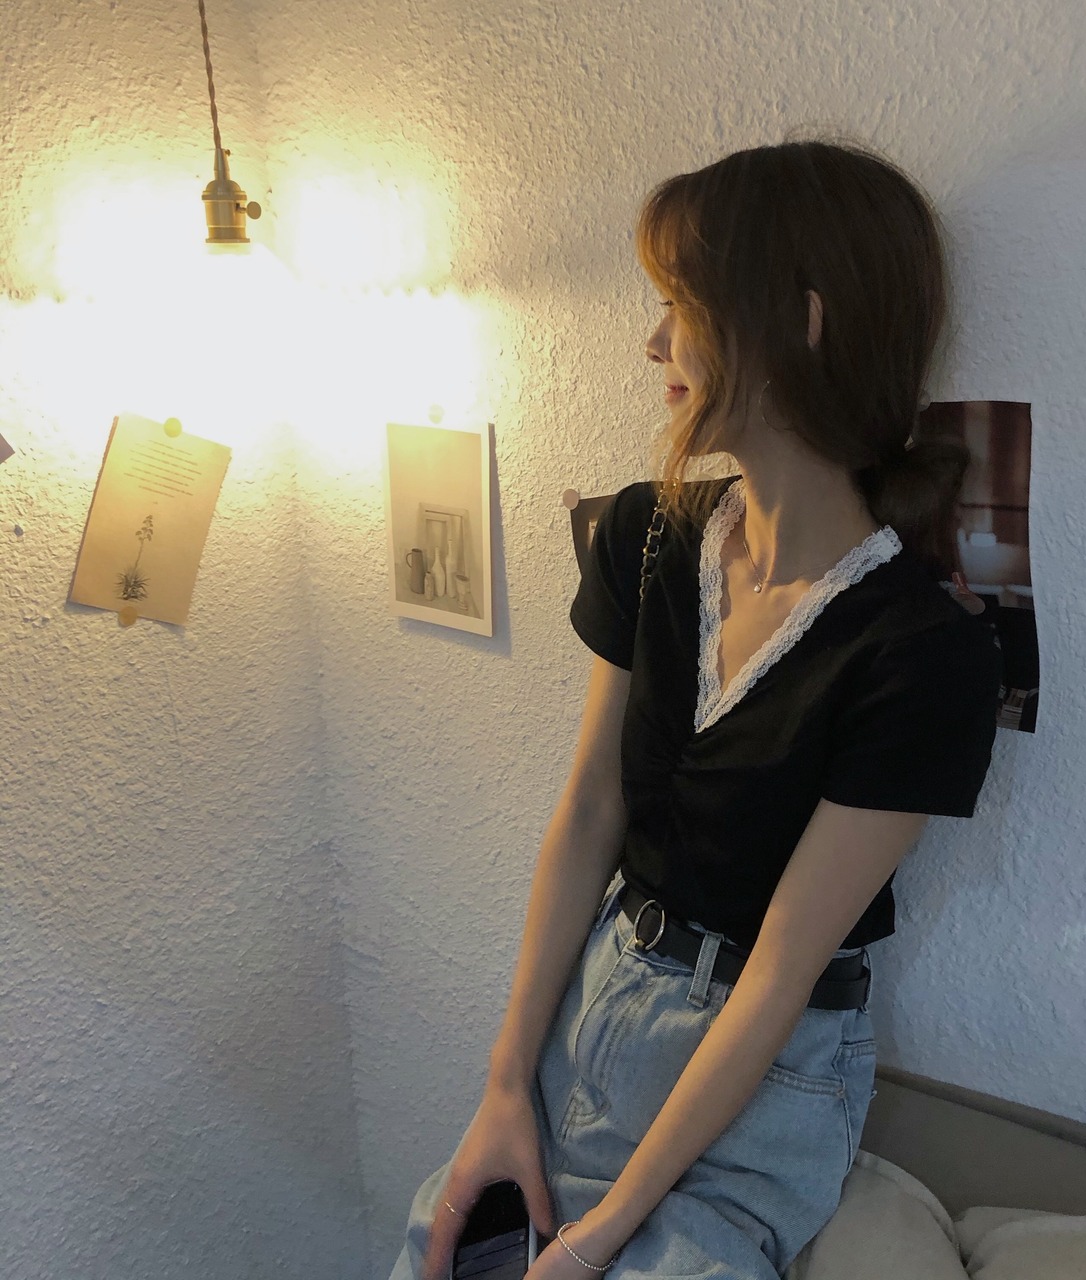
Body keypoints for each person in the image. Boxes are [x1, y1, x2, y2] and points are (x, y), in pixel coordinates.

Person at [391, 138, 1004, 1280]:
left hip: (761, 1080)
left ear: (801, 324)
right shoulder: (648, 535)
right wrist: (503, 1086)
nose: (653, 340)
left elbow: (778, 972)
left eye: (682, 304)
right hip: (599, 997)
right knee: (441, 1245)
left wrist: (596, 1240)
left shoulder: (924, 654)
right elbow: (590, 812)